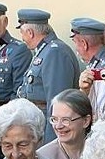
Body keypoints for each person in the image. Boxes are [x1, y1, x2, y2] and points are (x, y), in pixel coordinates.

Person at [17, 9, 81, 143]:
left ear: (30, 33)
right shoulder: (44, 51)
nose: (22, 38)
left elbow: (57, 103)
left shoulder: (55, 53)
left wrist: (53, 144)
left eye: (22, 33)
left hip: (48, 132)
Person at [38, 89, 93, 159]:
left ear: (86, 121)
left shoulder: (100, 152)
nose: (58, 126)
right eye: (54, 119)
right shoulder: (43, 158)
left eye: (66, 120)